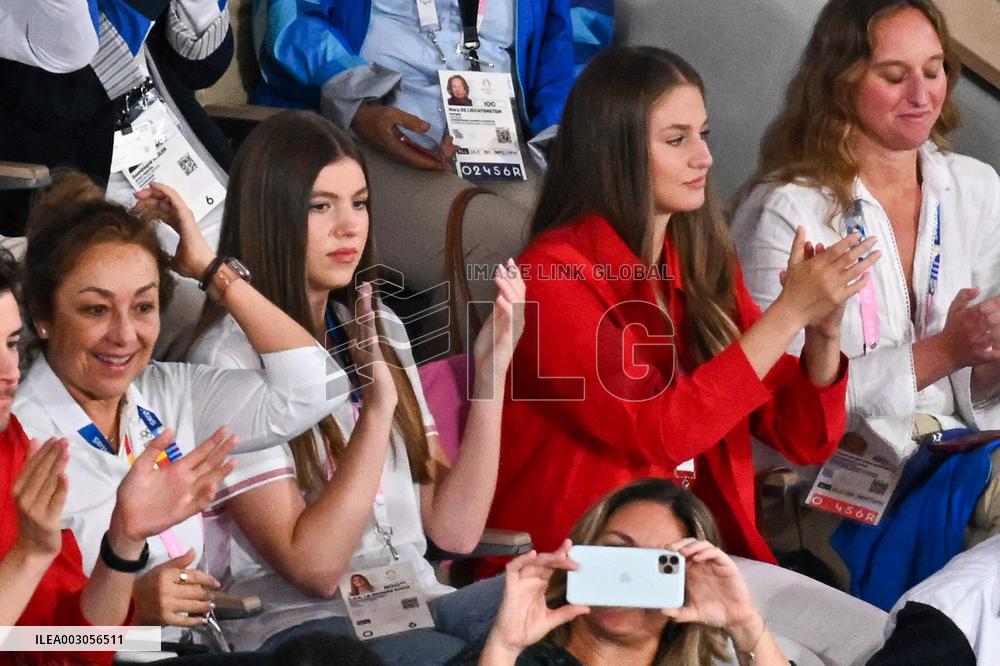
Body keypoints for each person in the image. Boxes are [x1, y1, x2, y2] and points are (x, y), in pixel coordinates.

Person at [481, 45, 878, 575]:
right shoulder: (550, 276)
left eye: (703, 134)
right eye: (677, 139)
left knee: (866, 641)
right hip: (580, 564)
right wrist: (787, 313)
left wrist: (822, 333)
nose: (704, 157)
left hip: (691, 556)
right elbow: (663, 430)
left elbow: (801, 437)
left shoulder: (698, 260)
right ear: (613, 151)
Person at [187, 111, 525, 663]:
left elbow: (455, 532)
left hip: (417, 600)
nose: (350, 226)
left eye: (360, 202)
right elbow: (316, 568)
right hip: (309, 627)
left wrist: (489, 379)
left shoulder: (375, 322)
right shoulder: (227, 358)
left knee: (567, 611)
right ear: (271, 217)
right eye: (321, 206)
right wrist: (376, 409)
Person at [730, 0, 1000, 603]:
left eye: (933, 71)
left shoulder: (977, 187)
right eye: (893, 75)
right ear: (839, 81)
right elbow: (780, 415)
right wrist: (942, 351)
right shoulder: (787, 210)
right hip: (826, 479)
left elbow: (978, 396)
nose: (921, 95)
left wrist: (986, 361)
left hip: (958, 450)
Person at [12, 171, 350, 633]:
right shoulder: (19, 433)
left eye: (143, 307)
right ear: (42, 315)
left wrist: (212, 272)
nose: (124, 335)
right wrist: (128, 606)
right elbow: (17, 637)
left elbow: (319, 387)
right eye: (96, 309)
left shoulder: (170, 392)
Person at [249, 0, 609, 337]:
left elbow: (561, 43)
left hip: (496, 139)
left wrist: (557, 137)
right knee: (500, 249)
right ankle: (438, 401)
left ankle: (527, 399)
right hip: (360, 140)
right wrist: (360, 104)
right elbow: (292, 21)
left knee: (577, 232)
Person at [0, 248, 236, 665]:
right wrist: (29, 556)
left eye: (12, 344)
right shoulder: (32, 427)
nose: (10, 371)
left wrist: (123, 542)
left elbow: (71, 647)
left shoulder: (15, 446)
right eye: (95, 309)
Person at [460, 478, 789, 665]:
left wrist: (743, 623)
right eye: (616, 552)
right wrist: (503, 648)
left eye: (657, 564)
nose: (627, 579)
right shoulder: (517, 657)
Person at [0, 0, 234, 240]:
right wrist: (134, 12)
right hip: (67, 182)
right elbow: (64, 95)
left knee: (256, 236)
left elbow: (203, 68)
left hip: (168, 138)